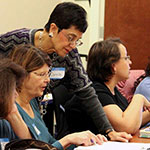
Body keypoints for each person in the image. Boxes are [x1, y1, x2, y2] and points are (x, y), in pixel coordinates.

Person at [0, 2, 132, 141]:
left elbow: (86, 91)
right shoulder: (13, 42)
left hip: (35, 112)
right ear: (53, 28)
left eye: (77, 40)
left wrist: (108, 130)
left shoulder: (70, 54)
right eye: (70, 38)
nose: (73, 45)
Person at [8, 44, 108, 150]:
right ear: (21, 75)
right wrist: (68, 139)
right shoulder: (9, 111)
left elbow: (49, 142)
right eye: (41, 74)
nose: (48, 80)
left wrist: (84, 141)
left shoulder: (32, 102)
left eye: (48, 74)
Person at [86, 38, 150, 134]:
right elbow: (126, 127)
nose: (130, 62)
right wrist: (139, 98)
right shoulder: (96, 91)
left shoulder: (113, 90)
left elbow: (132, 121)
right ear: (113, 66)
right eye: (126, 58)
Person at [0, 57, 29, 141]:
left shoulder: (4, 124)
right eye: (13, 89)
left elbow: (26, 143)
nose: (16, 94)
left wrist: (13, 112)